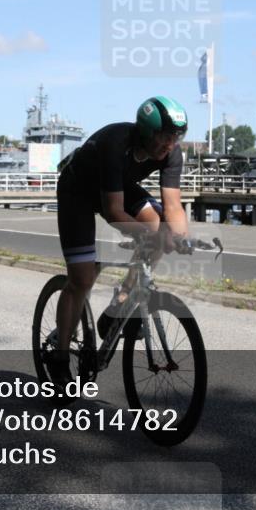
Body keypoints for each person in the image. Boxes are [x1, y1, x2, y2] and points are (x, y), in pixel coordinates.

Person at [46, 96, 192, 386]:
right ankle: (59, 357)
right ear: (147, 132)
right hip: (78, 190)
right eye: (165, 136)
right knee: (82, 278)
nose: (170, 145)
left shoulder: (172, 153)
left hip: (118, 185)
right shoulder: (116, 142)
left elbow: (173, 206)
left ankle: (121, 302)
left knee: (159, 225)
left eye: (176, 137)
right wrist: (154, 236)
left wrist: (180, 237)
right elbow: (114, 211)